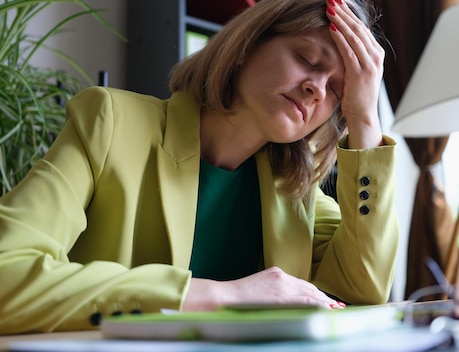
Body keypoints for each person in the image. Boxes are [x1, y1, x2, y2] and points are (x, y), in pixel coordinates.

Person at [0, 0, 399, 334]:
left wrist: (365, 121)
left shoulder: (296, 191)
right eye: (307, 58)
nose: (317, 88)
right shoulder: (109, 123)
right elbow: (7, 274)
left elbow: (363, 293)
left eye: (337, 92)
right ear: (248, 44)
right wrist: (217, 295)